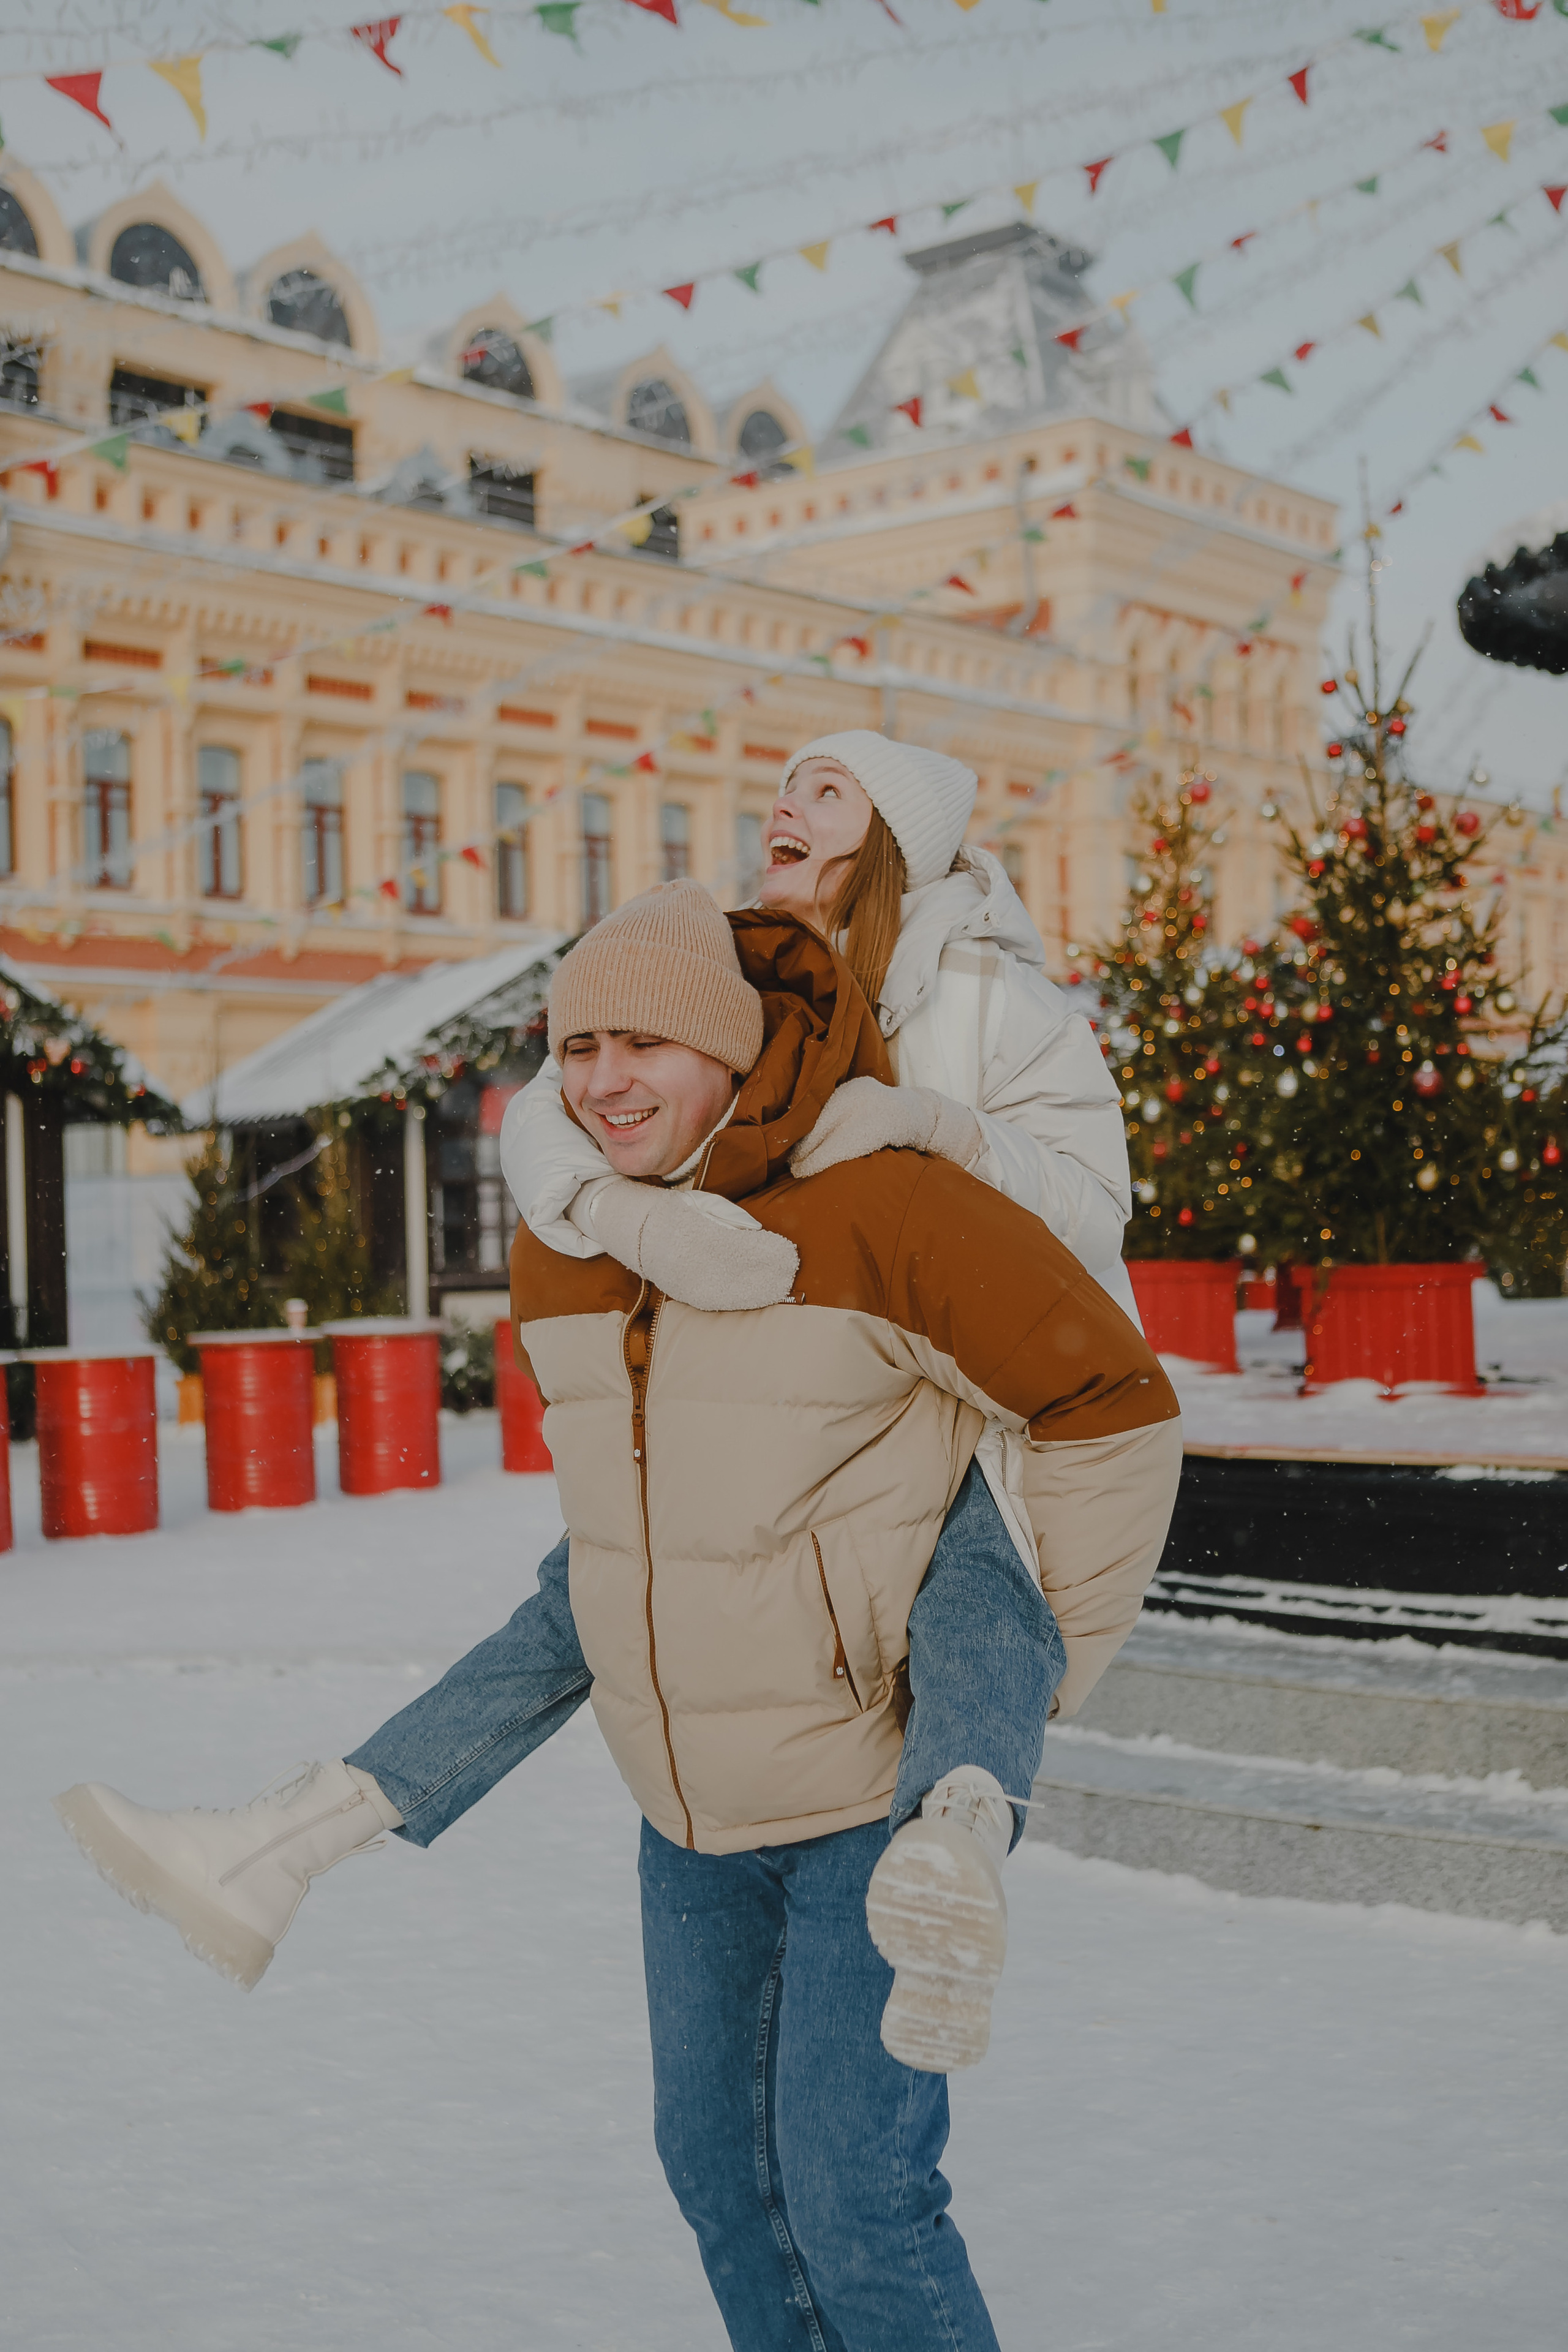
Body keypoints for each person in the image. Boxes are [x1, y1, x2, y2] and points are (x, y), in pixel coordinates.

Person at [57, 885, 1181, 2352]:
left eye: (644, 1040)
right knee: (721, 2183)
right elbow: (626, 1535)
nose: (603, 1078)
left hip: (860, 1796)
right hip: (687, 1816)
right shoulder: (565, 1242)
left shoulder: (883, 1201)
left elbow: (1109, 1401)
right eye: (577, 1044)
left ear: (728, 1049)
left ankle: (966, 1819)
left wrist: (1038, 1672)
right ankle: (290, 1835)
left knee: (855, 2196)